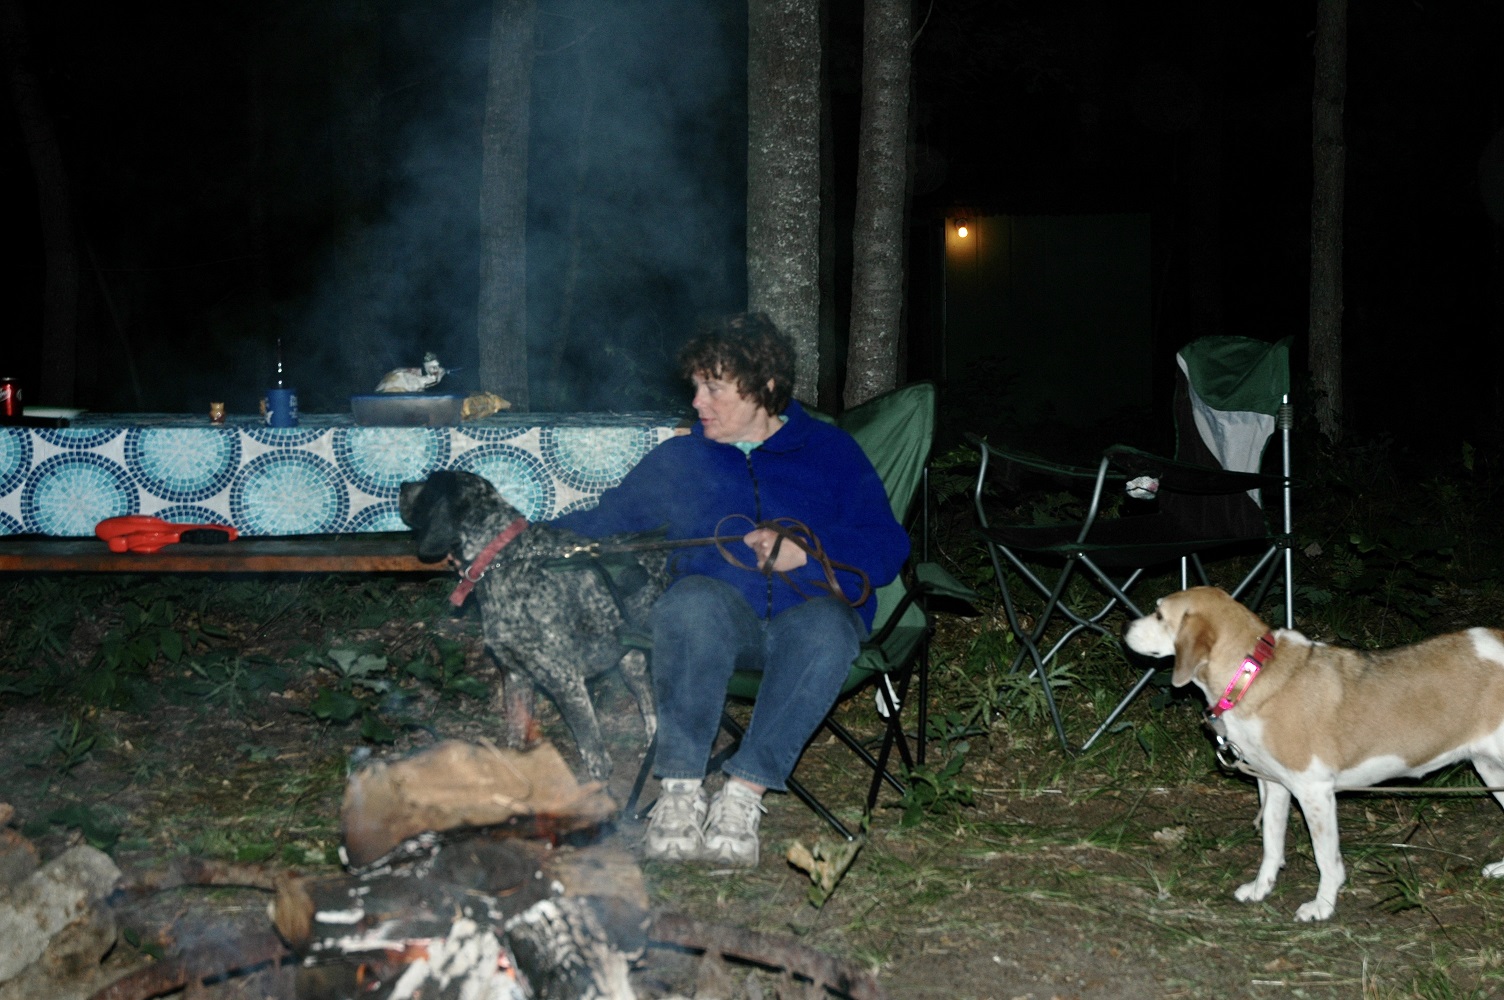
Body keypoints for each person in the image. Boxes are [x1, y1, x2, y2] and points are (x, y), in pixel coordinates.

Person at [552, 312, 910, 866]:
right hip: (718, 628)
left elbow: (886, 545)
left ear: (765, 386)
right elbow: (604, 521)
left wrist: (808, 552)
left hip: (808, 620)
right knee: (690, 602)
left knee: (827, 629)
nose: (698, 402)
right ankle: (680, 792)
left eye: (714, 388)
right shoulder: (681, 459)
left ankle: (743, 795)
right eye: (696, 386)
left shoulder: (832, 452)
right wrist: (517, 535)